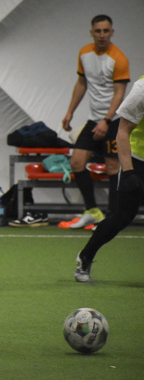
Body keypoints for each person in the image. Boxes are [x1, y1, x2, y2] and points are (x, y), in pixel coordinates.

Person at [60, 14, 130, 229]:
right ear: (92, 33)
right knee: (77, 162)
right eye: (98, 31)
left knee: (112, 167)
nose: (102, 35)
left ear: (112, 32)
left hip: (114, 120)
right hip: (94, 120)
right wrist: (70, 112)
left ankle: (111, 218)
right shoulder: (85, 53)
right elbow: (82, 83)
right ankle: (92, 211)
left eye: (106, 31)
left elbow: (119, 93)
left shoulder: (118, 58)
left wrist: (107, 121)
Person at [74, 75, 144, 282]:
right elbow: (122, 132)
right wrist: (129, 172)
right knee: (121, 216)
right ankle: (86, 256)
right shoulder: (142, 88)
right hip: (137, 161)